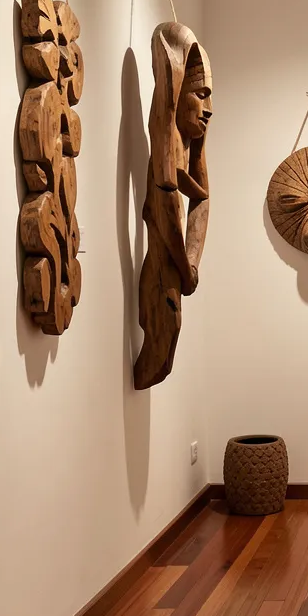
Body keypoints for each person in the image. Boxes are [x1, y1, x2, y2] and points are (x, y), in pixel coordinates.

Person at [134, 23, 212, 390]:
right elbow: (166, 206)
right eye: (201, 95)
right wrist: (184, 266)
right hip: (163, 271)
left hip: (175, 269)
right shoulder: (166, 142)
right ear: (177, 92)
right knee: (168, 330)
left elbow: (203, 199)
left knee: (172, 331)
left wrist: (191, 262)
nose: (209, 110)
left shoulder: (184, 145)